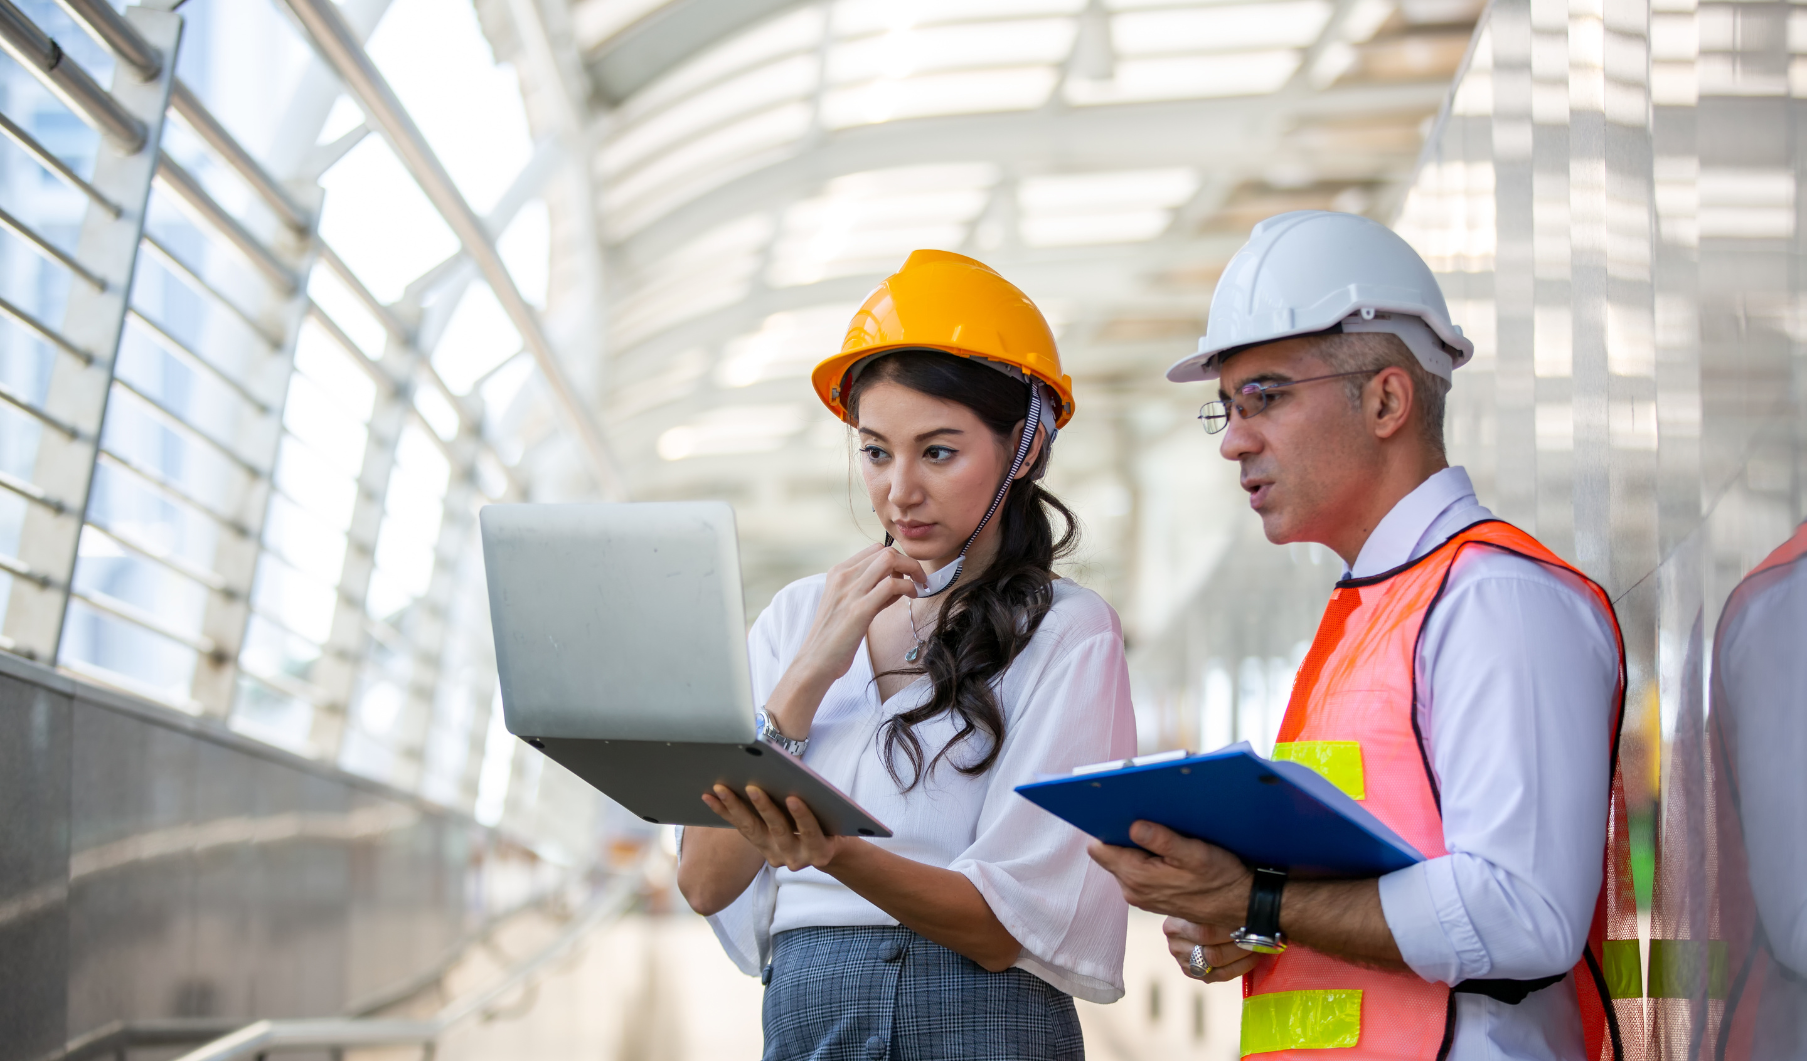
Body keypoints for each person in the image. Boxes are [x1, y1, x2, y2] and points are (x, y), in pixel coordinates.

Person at [1087, 211, 1640, 1060]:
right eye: (1226, 407)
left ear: (1385, 398)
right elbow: (1355, 881)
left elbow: (1520, 913)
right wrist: (1238, 924)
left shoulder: (1494, 597)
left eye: (1264, 396)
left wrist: (1258, 902)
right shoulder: (1371, 611)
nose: (1234, 439)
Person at [676, 249, 1137, 1061]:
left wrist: (833, 852)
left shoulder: (1066, 630)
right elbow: (704, 880)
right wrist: (809, 673)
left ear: (1023, 448)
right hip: (804, 1021)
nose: (898, 491)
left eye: (938, 451)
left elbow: (1004, 928)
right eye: (875, 450)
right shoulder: (795, 617)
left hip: (978, 1019)